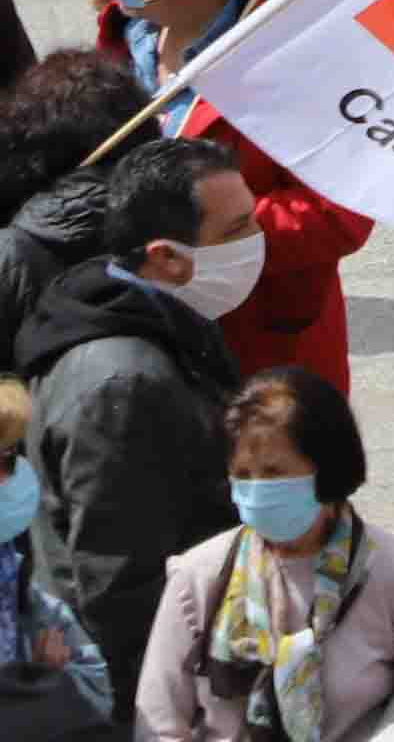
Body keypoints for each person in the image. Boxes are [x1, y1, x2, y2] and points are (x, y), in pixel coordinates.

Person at [87, 0, 367, 382]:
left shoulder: (304, 54)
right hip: (143, 333)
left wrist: (201, 228)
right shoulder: (128, 24)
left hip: (257, 351)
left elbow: (340, 213)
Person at [140, 366, 394, 741]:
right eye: (243, 473)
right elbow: (158, 725)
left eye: (274, 473)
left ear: (326, 471)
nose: (257, 490)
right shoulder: (199, 576)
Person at [21, 136, 249, 712]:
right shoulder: (124, 386)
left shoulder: (154, 314)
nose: (255, 245)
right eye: (236, 231)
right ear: (165, 257)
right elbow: (120, 586)